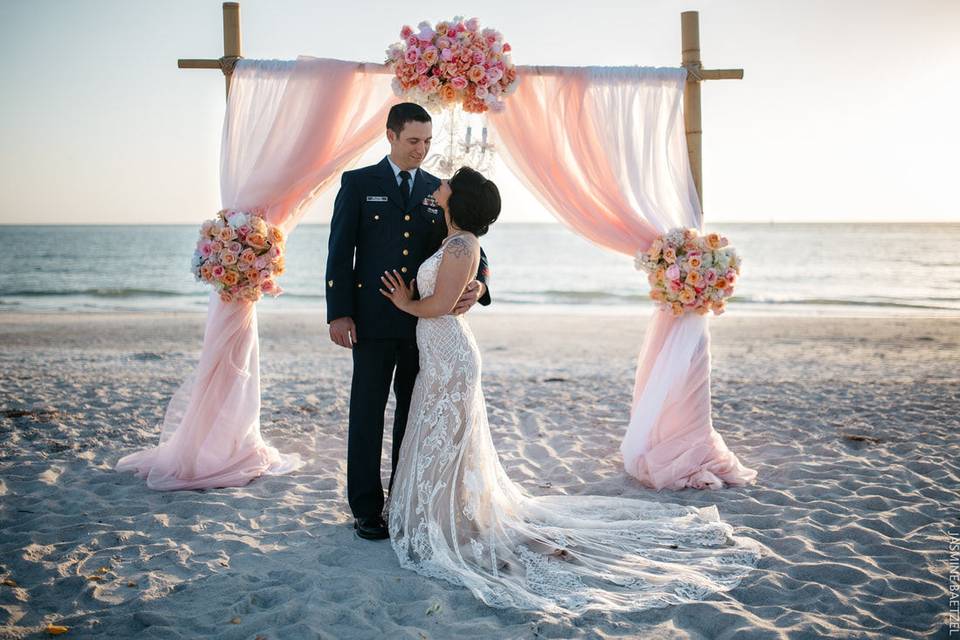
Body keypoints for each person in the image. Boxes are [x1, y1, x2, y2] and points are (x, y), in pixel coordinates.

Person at [380, 166, 760, 614]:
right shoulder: (452, 239)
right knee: (443, 437)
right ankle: (439, 514)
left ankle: (449, 523)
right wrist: (464, 284)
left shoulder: (462, 243)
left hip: (450, 354)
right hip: (439, 354)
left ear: (457, 198)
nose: (438, 183)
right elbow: (453, 282)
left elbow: (442, 304)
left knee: (450, 437)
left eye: (447, 182)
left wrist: (406, 302)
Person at [325, 103, 492, 541]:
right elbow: (340, 252)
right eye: (414, 141)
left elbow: (472, 245)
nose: (422, 150)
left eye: (427, 142)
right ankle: (366, 509)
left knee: (412, 415)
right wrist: (339, 312)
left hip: (423, 329)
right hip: (372, 322)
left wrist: (480, 286)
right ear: (391, 136)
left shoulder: (440, 190)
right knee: (366, 413)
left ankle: (403, 500)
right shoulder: (359, 184)